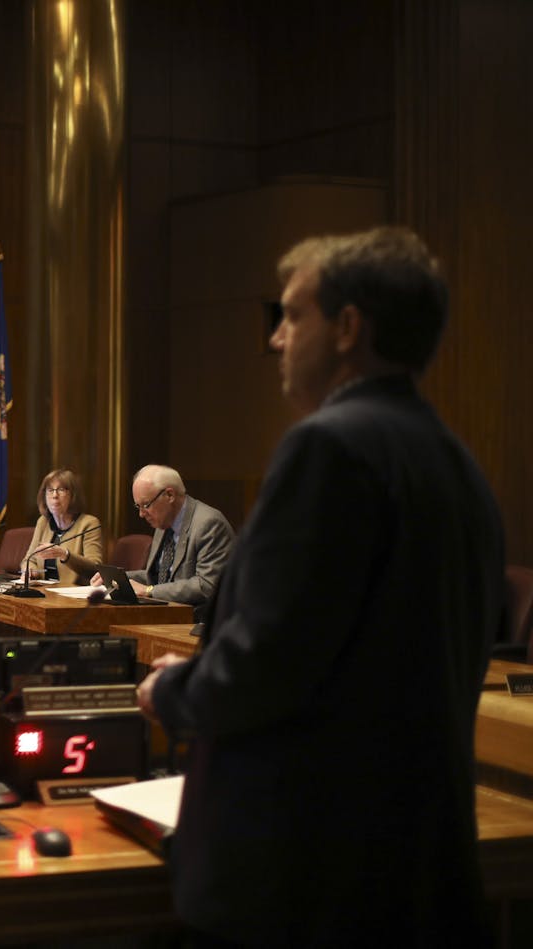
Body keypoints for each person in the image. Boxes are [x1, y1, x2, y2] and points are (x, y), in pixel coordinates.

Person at [137, 227, 503, 945]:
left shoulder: (328, 448)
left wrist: (173, 691)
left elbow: (266, 664)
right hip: (417, 873)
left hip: (309, 882)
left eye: (294, 315)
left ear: (347, 327)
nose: (276, 338)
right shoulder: (459, 465)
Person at [95, 464, 233, 620]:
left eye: (146, 505)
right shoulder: (163, 522)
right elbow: (157, 577)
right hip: (166, 615)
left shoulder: (208, 524)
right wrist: (120, 579)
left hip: (196, 622)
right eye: (138, 506)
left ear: (169, 495)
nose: (141, 514)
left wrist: (149, 591)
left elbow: (207, 585)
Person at [20, 468, 104, 584]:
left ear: (73, 495)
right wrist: (29, 570)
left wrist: (65, 554)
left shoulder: (89, 524)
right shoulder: (43, 522)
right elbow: (29, 559)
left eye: (61, 489)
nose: (54, 495)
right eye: (50, 490)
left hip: (72, 595)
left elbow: (95, 568)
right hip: (44, 592)